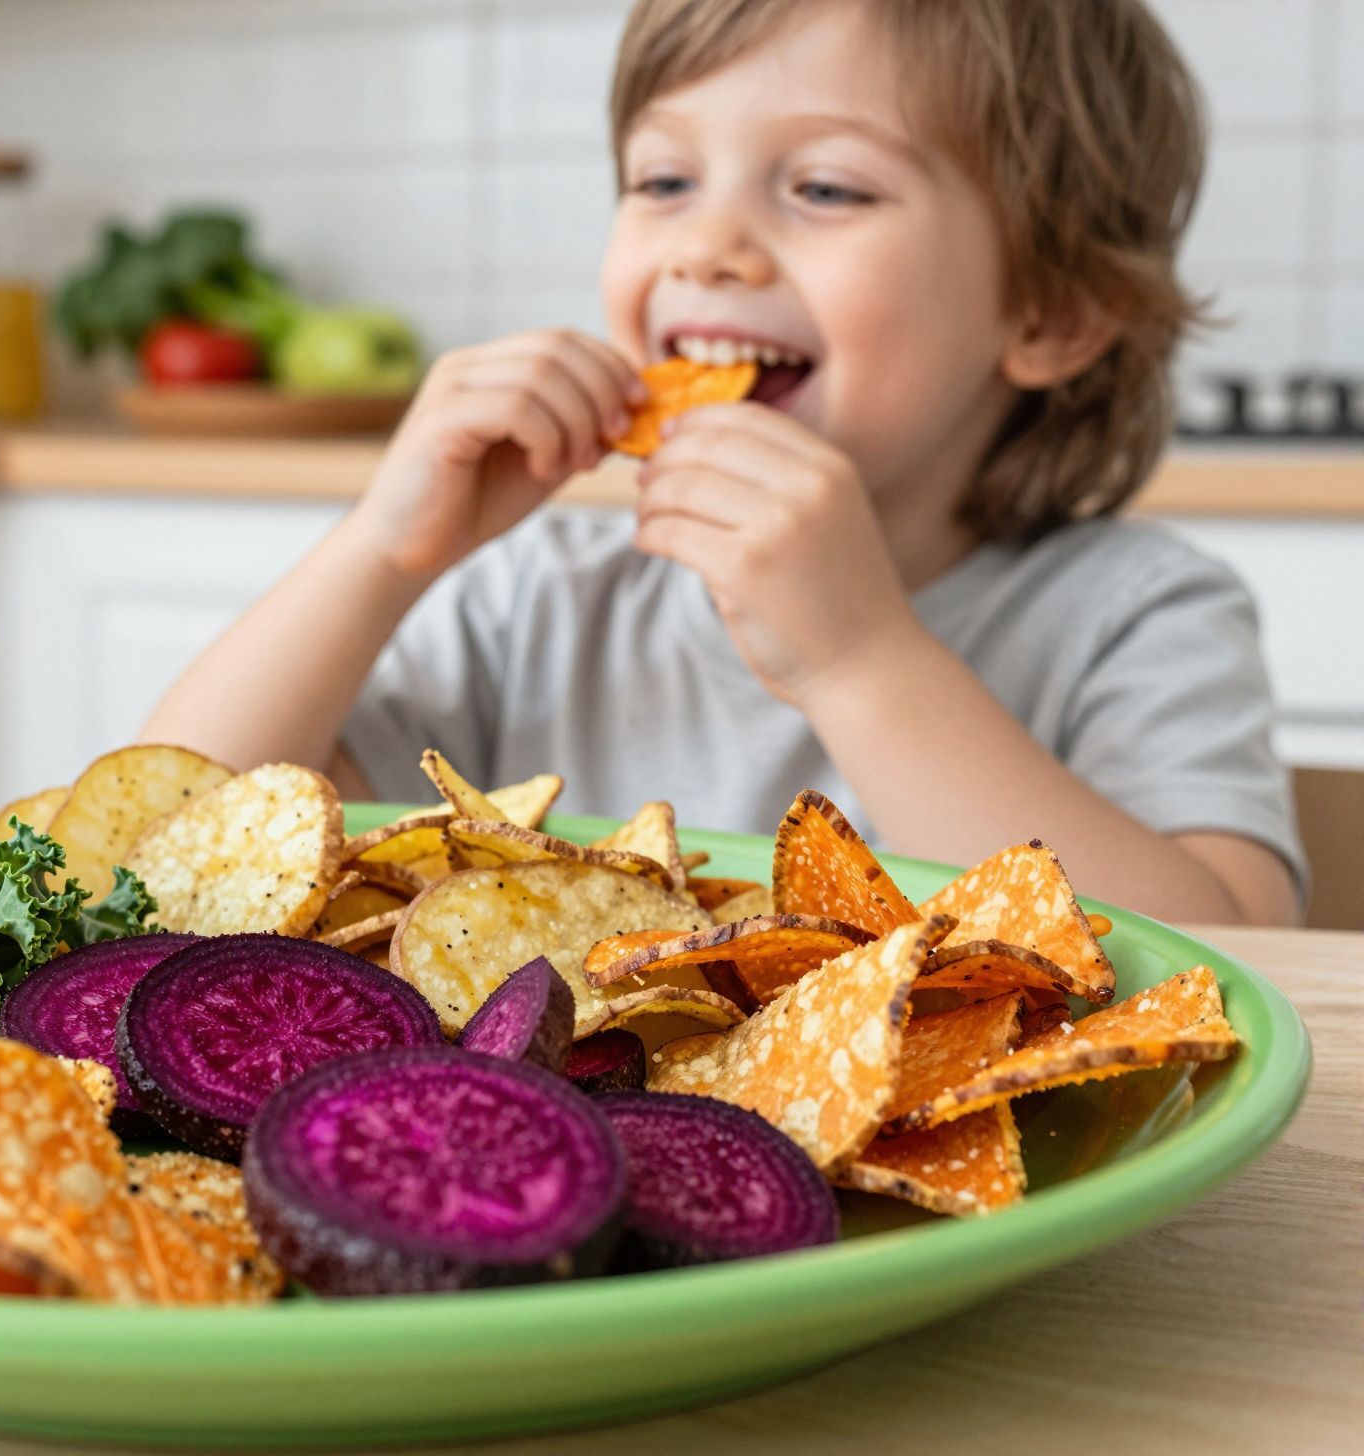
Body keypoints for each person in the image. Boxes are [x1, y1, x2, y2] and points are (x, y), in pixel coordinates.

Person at [142, 0, 1303, 927]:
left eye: (824, 188)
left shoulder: (1134, 614)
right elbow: (163, 847)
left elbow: (1227, 962)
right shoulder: (533, 600)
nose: (706, 247)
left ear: (1051, 309)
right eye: (662, 182)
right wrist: (380, 552)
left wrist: (857, 658)